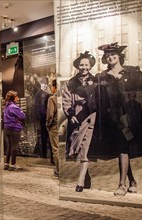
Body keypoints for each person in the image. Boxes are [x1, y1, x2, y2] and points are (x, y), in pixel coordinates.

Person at [97, 42, 142, 196]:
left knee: (122, 147)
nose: (110, 57)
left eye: (113, 55)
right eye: (107, 56)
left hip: (128, 116)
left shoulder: (131, 73)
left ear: (119, 56)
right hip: (111, 117)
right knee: (122, 148)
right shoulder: (103, 77)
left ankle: (122, 184)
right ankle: (132, 180)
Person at [62, 51, 97, 192]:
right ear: (78, 66)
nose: (84, 67)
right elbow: (66, 100)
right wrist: (70, 114)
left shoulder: (95, 81)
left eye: (86, 65)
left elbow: (99, 99)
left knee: (86, 148)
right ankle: (86, 176)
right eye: (81, 65)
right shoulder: (71, 82)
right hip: (76, 118)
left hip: (90, 117)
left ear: (90, 66)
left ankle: (80, 181)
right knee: (78, 147)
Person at [3, 90, 25, 171]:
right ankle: (13, 164)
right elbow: (22, 116)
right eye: (16, 96)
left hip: (6, 128)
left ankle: (6, 164)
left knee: (9, 146)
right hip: (14, 128)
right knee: (14, 147)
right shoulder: (14, 107)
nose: (18, 98)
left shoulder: (7, 106)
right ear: (14, 98)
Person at [33, 76, 52, 160]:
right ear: (41, 84)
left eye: (46, 83)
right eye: (43, 83)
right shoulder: (39, 95)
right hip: (42, 119)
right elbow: (37, 109)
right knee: (44, 137)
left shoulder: (45, 94)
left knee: (45, 137)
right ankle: (43, 154)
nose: (45, 85)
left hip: (45, 118)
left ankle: (45, 153)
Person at [46, 79, 59, 177]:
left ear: (54, 87)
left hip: (54, 126)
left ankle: (59, 170)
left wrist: (48, 125)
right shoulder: (65, 96)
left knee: (56, 149)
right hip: (64, 124)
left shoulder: (52, 99)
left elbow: (50, 114)